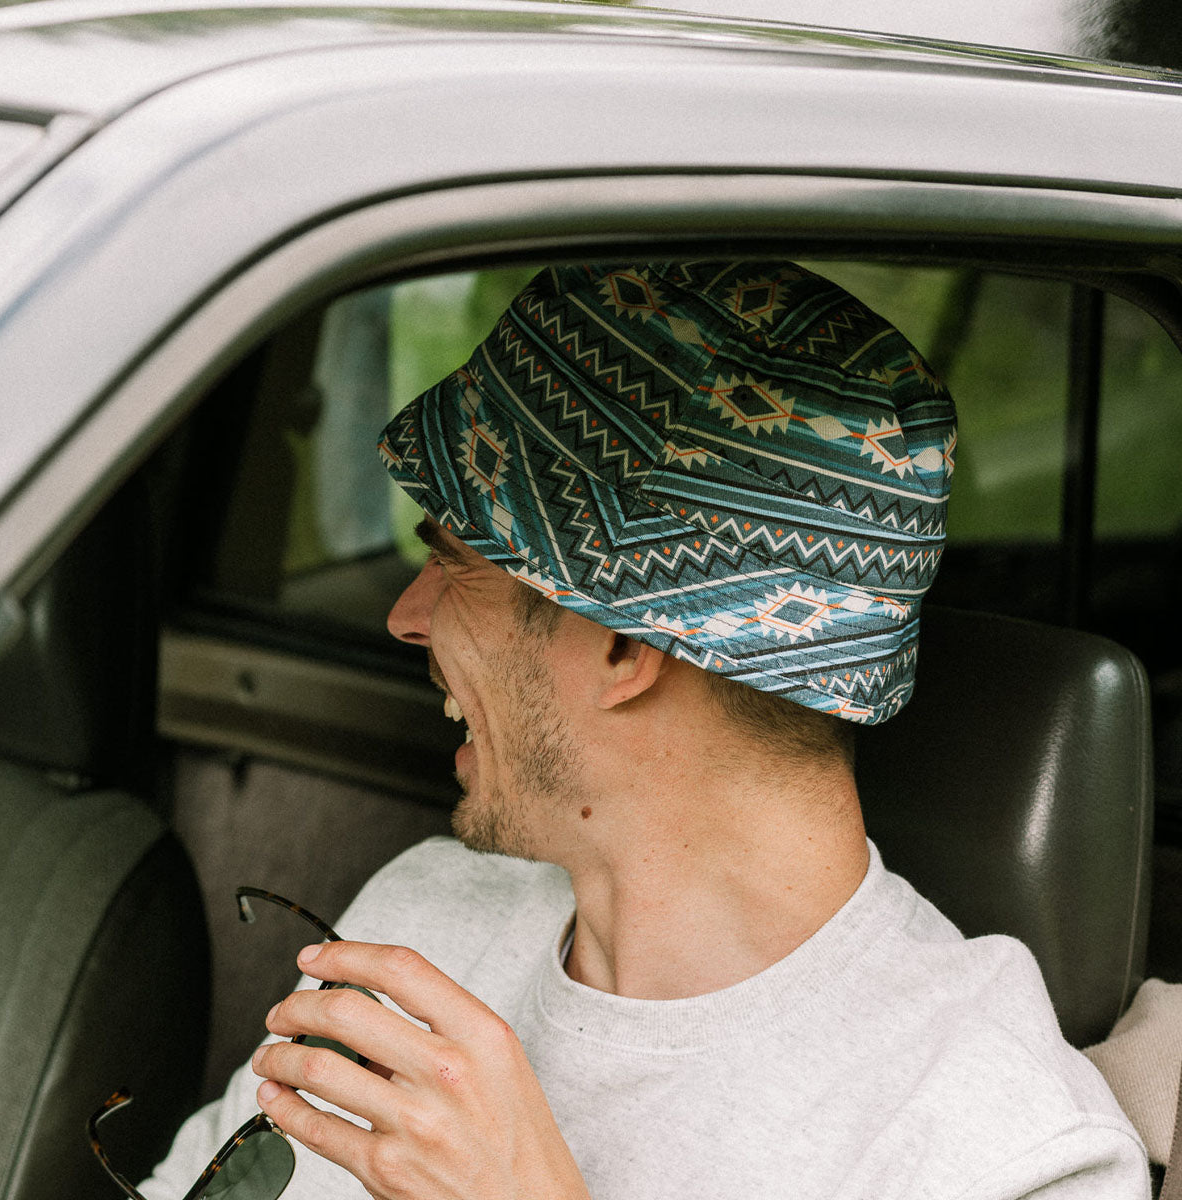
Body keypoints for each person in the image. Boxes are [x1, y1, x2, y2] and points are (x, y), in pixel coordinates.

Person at [140, 262, 1148, 1199]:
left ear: (625, 645)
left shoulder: (1001, 1154)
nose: (406, 615)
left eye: (452, 558)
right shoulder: (424, 918)